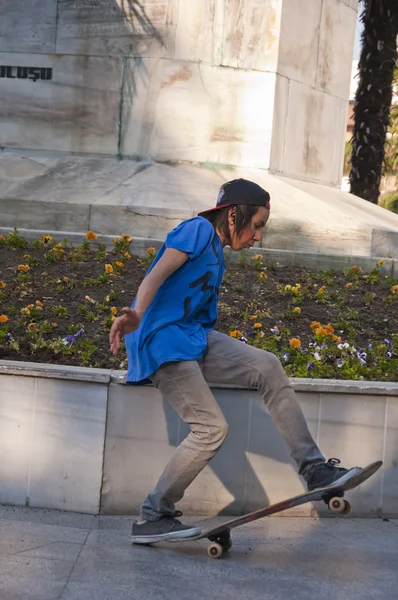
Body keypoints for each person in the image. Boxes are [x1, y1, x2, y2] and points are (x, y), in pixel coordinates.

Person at [109, 178, 360, 545]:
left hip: (192, 339)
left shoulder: (217, 251)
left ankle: (315, 469)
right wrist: (136, 314)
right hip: (163, 342)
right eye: (257, 225)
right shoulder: (196, 230)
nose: (257, 237)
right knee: (211, 429)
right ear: (233, 215)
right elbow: (156, 274)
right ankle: (153, 515)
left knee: (268, 366)